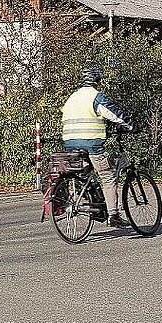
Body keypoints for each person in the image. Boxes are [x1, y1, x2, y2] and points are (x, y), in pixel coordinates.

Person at [61, 68, 134, 228]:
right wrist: (130, 124)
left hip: (70, 143)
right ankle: (113, 216)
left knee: (85, 176)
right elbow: (113, 114)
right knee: (107, 176)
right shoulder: (95, 97)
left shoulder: (72, 97)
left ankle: (89, 204)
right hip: (91, 143)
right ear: (96, 82)